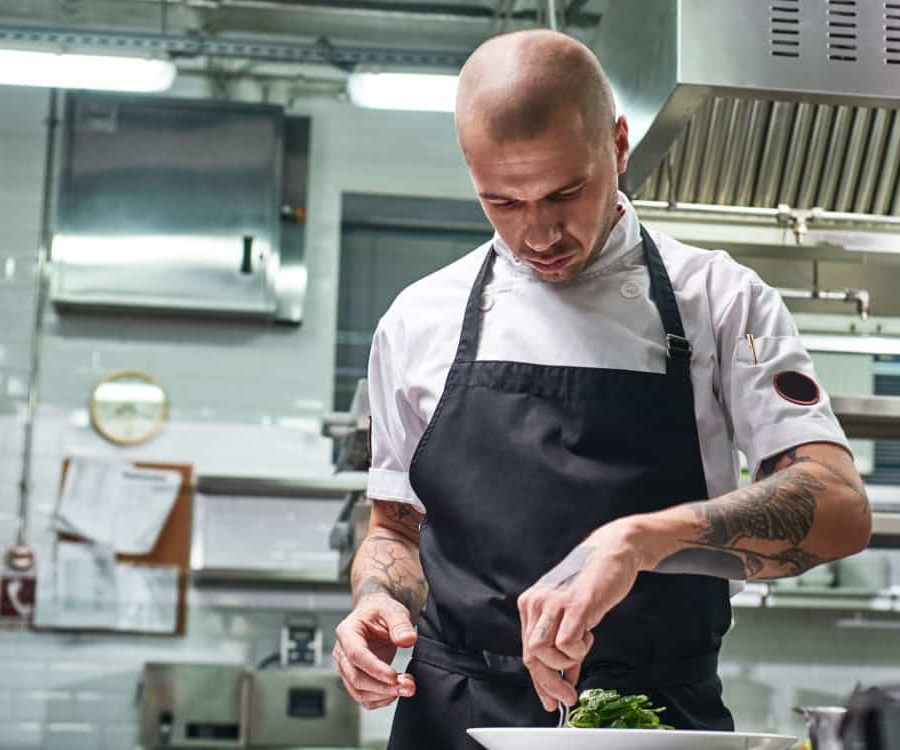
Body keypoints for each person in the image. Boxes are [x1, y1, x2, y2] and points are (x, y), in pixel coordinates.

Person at [332, 29, 872, 750]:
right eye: (504, 202)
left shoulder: (728, 303)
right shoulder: (415, 321)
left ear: (618, 145)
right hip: (453, 720)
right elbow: (395, 527)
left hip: (656, 722)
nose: (539, 233)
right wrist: (374, 598)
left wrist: (643, 539)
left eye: (566, 191)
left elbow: (838, 509)